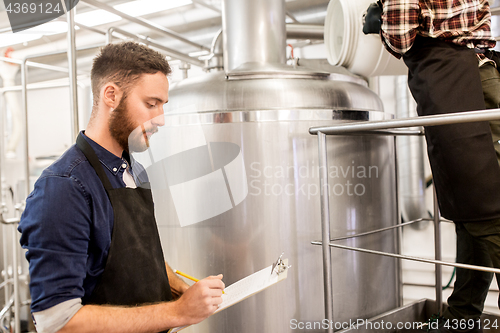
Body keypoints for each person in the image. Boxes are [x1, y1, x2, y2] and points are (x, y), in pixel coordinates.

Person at [18, 42, 225, 333]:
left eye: (163, 106)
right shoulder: (64, 187)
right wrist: (177, 312)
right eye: (151, 104)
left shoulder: (133, 171)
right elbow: (58, 321)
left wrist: (175, 284)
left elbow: (134, 253)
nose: (161, 119)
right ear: (111, 95)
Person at [376, 0, 500, 332]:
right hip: (484, 69)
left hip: (448, 76)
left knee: (480, 206)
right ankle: (462, 315)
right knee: (477, 208)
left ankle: (462, 316)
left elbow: (400, 34)